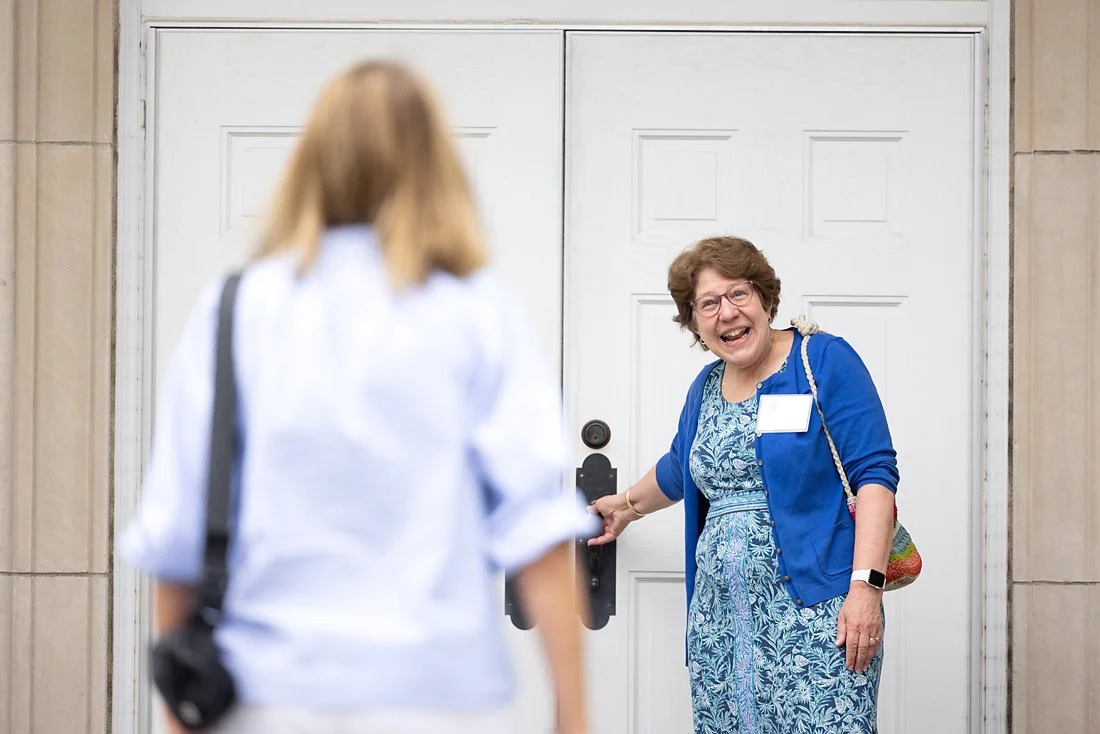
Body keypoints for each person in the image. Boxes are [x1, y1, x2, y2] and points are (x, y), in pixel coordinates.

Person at [121, 61, 595, 734]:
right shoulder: (476, 310)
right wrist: (574, 719)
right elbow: (540, 530)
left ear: (312, 161)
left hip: (264, 697)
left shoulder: (234, 309)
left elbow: (176, 537)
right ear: (433, 163)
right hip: (442, 697)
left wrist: (176, 717)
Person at [588, 235, 899, 733]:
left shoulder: (820, 360)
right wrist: (627, 505)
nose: (726, 313)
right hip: (721, 623)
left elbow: (875, 476)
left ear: (765, 298)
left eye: (738, 294)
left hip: (817, 615)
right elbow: (679, 466)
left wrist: (866, 589)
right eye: (707, 304)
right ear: (694, 322)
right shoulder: (706, 386)